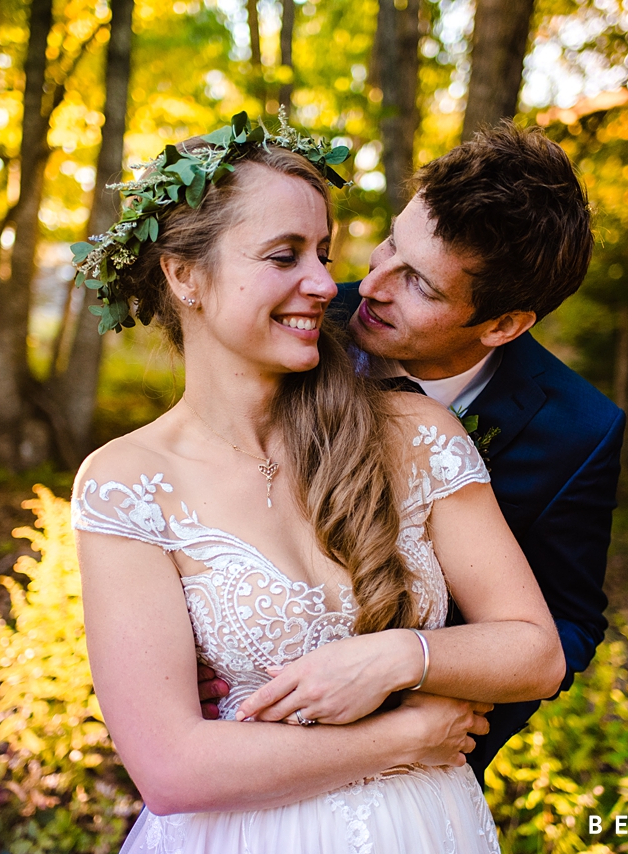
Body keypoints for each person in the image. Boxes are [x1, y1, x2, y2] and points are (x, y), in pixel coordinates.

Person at [70, 117, 565, 853]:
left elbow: (537, 651)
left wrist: (403, 656)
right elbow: (170, 769)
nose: (327, 282)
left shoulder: (415, 434)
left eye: (324, 252)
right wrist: (403, 735)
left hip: (426, 829)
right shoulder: (128, 483)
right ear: (183, 275)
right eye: (283, 255)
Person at [207, 122, 624, 778]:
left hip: (423, 766)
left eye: (421, 286)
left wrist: (422, 690)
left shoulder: (578, 430)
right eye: (389, 246)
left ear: (504, 325)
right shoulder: (293, 328)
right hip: (248, 746)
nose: (371, 286)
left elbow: (567, 625)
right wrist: (206, 655)